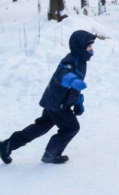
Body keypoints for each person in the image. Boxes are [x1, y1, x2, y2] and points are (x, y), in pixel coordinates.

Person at [1, 30, 96, 165]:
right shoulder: (70, 60)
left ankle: (8, 145)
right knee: (71, 127)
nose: (91, 50)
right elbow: (61, 74)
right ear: (79, 47)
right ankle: (51, 154)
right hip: (57, 103)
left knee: (40, 127)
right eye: (89, 47)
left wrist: (78, 101)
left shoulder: (81, 60)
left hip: (56, 100)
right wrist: (71, 80)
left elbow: (73, 88)